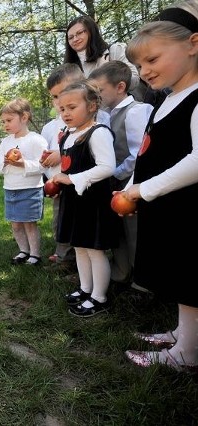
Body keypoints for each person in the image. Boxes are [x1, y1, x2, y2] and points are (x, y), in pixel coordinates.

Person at [121, 1, 198, 372]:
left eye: (152, 60)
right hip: (164, 206)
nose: (145, 71)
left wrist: (143, 190)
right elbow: (148, 154)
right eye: (139, 66)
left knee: (190, 278)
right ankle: (185, 335)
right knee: (182, 280)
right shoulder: (164, 101)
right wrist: (132, 186)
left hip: (188, 210)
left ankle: (187, 354)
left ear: (193, 44)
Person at [48, 81, 121, 318]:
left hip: (93, 202)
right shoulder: (69, 135)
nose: (66, 113)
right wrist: (59, 182)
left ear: (91, 106)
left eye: (72, 107)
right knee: (79, 247)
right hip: (74, 201)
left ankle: (99, 297)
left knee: (94, 249)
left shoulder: (97, 132)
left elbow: (107, 167)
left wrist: (71, 180)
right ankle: (85, 288)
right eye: (62, 109)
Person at [88, 61, 153, 290]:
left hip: (131, 182)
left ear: (120, 87)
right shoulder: (105, 115)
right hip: (112, 183)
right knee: (117, 231)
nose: (96, 96)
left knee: (135, 231)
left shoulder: (136, 111)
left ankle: (143, 280)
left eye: (100, 90)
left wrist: (114, 173)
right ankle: (120, 271)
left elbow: (138, 154)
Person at [40, 63, 110, 270]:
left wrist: (60, 156)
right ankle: (65, 257)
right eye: (54, 97)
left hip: (85, 187)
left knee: (86, 230)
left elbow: (92, 153)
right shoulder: (52, 126)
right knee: (61, 223)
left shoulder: (97, 121)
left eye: (63, 93)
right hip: (60, 186)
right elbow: (44, 156)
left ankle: (79, 266)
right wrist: (48, 178)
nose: (59, 100)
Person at [0, 98, 48, 266]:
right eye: (3, 122)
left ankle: (35, 254)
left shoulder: (36, 140)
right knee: (16, 224)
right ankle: (23, 250)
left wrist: (23, 163)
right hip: (10, 188)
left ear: (24, 117)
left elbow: (43, 165)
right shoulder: (6, 141)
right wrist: (4, 161)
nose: (5, 125)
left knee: (29, 224)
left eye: (9, 120)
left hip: (30, 188)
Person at [63, 15, 146, 102]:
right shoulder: (70, 69)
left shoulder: (114, 51)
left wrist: (110, 74)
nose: (75, 39)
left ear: (91, 31)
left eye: (79, 33)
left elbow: (134, 81)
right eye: (71, 37)